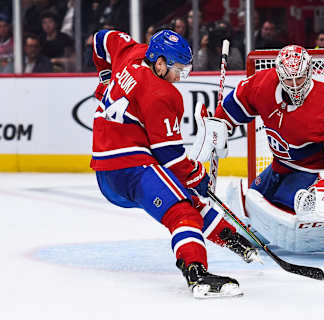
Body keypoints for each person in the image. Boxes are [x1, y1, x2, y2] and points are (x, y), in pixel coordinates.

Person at [90, 28, 258, 298]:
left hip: (106, 172)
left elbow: (101, 38)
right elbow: (170, 157)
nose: (180, 76)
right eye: (178, 69)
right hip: (132, 168)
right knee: (183, 212)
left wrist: (106, 76)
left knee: (185, 200)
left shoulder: (131, 52)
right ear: (159, 63)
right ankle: (196, 273)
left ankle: (230, 237)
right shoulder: (160, 94)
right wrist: (198, 176)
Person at [206, 45, 324, 258]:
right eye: (288, 80)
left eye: (299, 79)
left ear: (309, 72)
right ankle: (264, 230)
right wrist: (220, 123)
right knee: (248, 203)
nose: (294, 87)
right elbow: (240, 100)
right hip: (279, 167)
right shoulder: (264, 84)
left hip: (309, 171)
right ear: (278, 73)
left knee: (289, 214)